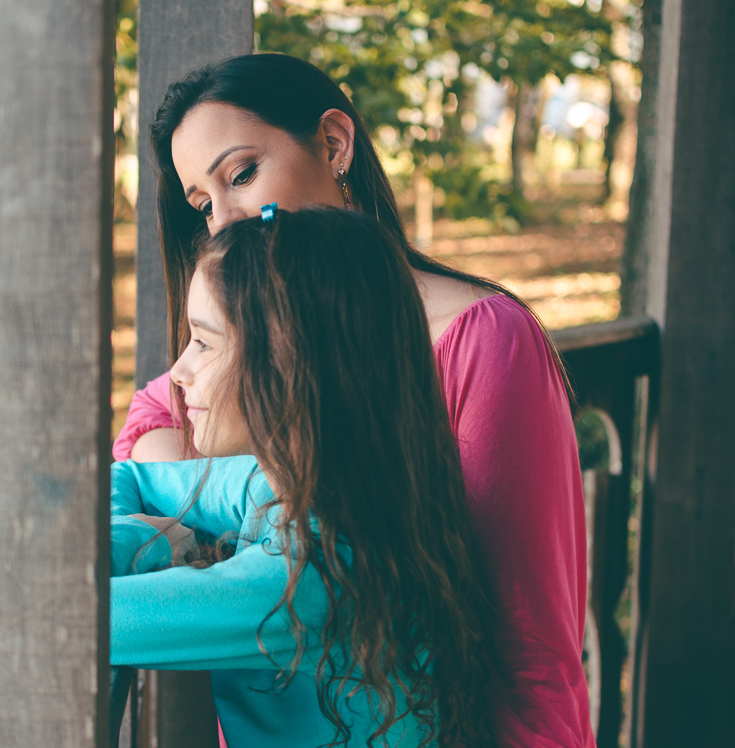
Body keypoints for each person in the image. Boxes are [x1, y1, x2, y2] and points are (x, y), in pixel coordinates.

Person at [113, 54, 592, 747]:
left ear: (335, 144)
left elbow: (530, 635)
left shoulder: (483, 340)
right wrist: (195, 512)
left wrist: (209, 521)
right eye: (203, 205)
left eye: (241, 175)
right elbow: (154, 415)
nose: (225, 221)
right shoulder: (272, 333)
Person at [110, 207, 495, 747]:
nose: (178, 371)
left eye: (203, 342)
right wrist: (147, 532)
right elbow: (126, 478)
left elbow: (48, 617)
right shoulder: (299, 488)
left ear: (288, 365)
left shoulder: (311, 575)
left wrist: (147, 542)